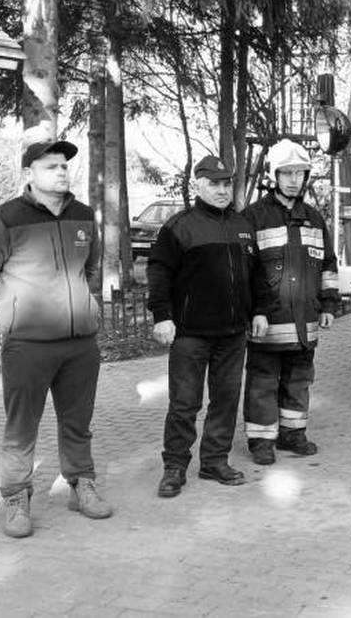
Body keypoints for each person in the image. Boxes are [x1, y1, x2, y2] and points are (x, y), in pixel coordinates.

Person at [0, 139, 111, 538]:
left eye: (64, 166)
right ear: (29, 174)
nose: (61, 172)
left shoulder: (83, 215)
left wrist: (87, 304)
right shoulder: (6, 219)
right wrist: (12, 308)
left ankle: (82, 485)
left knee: (78, 422)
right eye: (51, 166)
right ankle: (15, 497)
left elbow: (91, 269)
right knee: (21, 426)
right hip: (27, 345)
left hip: (80, 343)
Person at [148, 155, 268, 497]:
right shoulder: (180, 226)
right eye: (213, 183)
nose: (221, 189)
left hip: (232, 334)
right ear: (197, 185)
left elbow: (256, 275)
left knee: (226, 399)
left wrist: (260, 311)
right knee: (185, 403)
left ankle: (215, 461)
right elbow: (159, 272)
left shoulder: (243, 225)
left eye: (226, 183)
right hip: (190, 334)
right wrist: (162, 315)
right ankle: (174, 467)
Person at [240, 139, 339, 465]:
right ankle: (261, 441)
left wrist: (328, 305)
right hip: (268, 322)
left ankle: (293, 434)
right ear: (274, 175)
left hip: (304, 322)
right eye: (287, 173)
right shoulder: (254, 217)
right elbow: (246, 271)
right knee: (263, 382)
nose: (295, 179)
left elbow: (328, 264)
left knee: (299, 381)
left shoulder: (313, 218)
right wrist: (255, 311)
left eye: (300, 173)